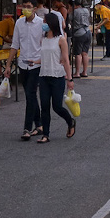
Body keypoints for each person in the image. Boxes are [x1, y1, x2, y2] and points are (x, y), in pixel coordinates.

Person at [33, 14, 76, 143]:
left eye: (45, 21)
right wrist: (34, 62)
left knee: (57, 106)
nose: (43, 24)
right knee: (44, 106)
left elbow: (66, 60)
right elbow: (45, 57)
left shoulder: (61, 39)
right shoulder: (43, 39)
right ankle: (46, 134)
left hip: (57, 76)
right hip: (44, 76)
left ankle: (70, 121)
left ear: (51, 23)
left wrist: (70, 79)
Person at [5, 0, 44, 140]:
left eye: (28, 7)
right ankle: (39, 125)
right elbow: (15, 45)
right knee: (30, 95)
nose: (25, 9)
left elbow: (46, 43)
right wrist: (9, 65)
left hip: (36, 64)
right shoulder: (19, 23)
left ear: (34, 9)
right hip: (23, 63)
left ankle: (27, 128)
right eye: (24, 7)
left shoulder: (41, 24)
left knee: (30, 93)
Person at [71, 1, 92, 78]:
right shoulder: (86, 10)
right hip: (88, 31)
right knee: (85, 53)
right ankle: (85, 72)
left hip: (79, 33)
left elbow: (69, 18)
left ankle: (77, 72)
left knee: (78, 54)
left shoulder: (75, 11)